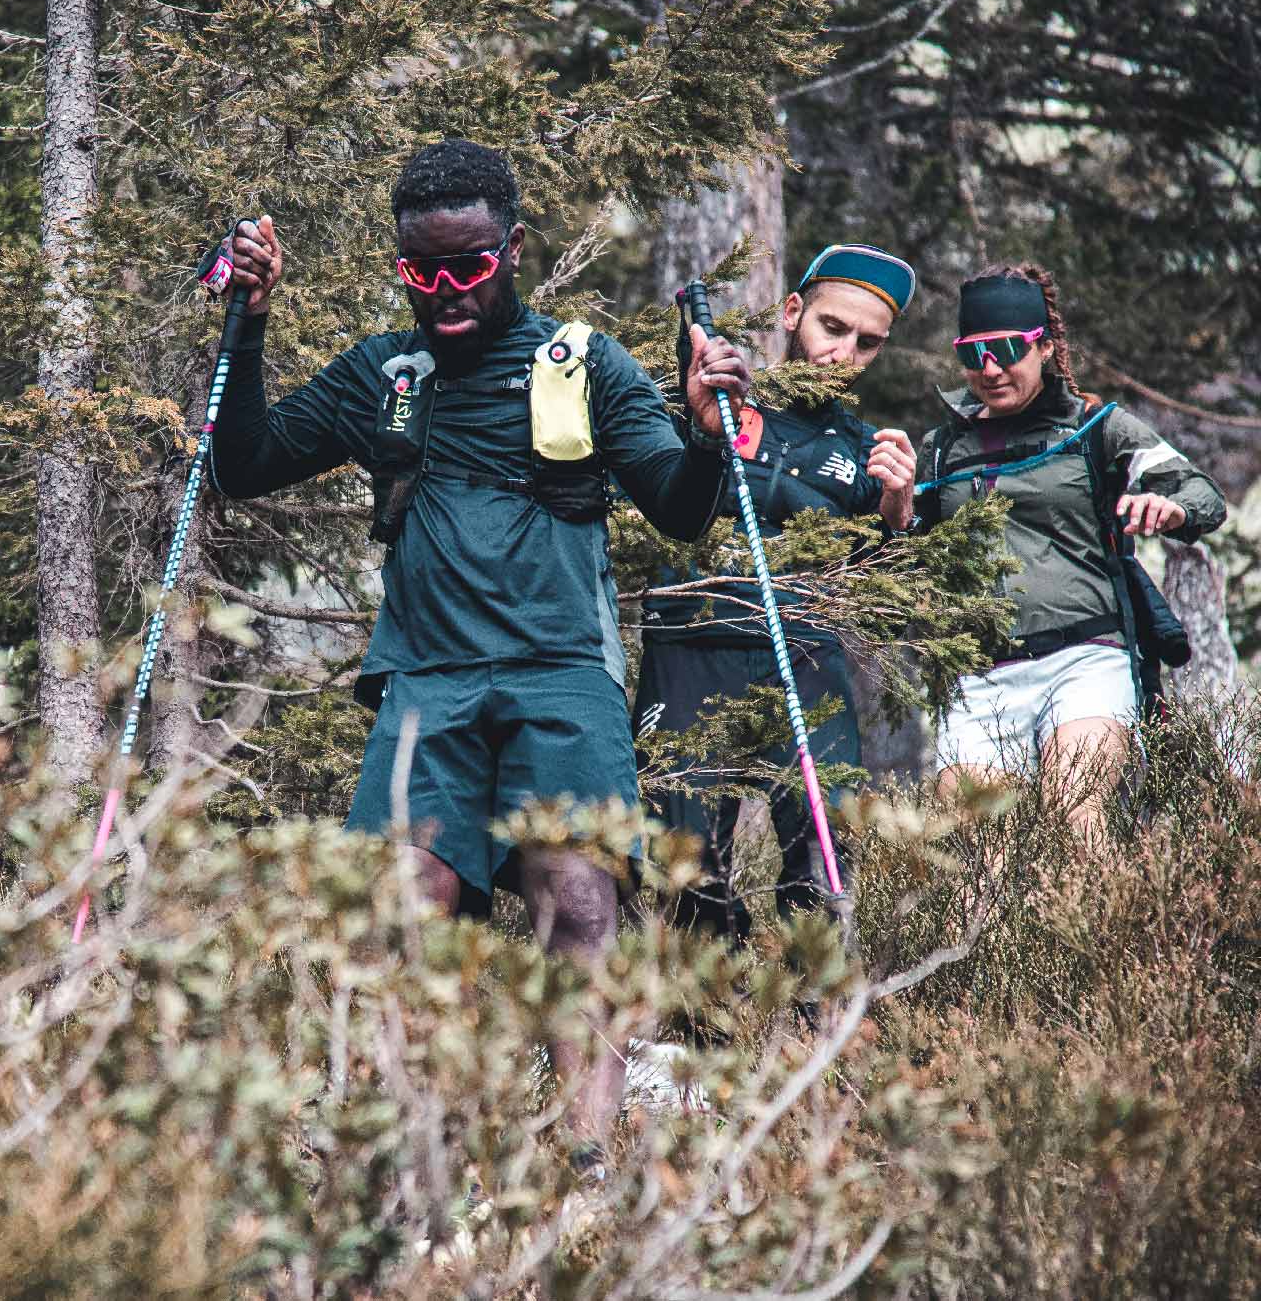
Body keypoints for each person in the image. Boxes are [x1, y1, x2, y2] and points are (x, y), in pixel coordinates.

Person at [207, 139, 751, 1167]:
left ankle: (585, 1158)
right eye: (423, 272)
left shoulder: (583, 363)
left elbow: (679, 514)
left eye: (470, 267)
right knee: (405, 912)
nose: (447, 293)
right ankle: (419, 1154)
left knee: (577, 903)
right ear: (402, 262)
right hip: (425, 683)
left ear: (511, 248)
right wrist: (248, 321)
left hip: (562, 680)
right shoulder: (383, 374)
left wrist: (705, 432)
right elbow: (242, 464)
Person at [633, 246, 919, 944]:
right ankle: (702, 1039)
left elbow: (892, 595)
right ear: (793, 312)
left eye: (867, 342)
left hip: (804, 653)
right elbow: (649, 494)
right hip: (690, 647)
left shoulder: (863, 452)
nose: (843, 353)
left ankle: (819, 1036)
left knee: (825, 859)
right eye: (832, 327)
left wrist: (898, 509)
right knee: (684, 867)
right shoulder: (712, 399)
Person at [915, 263, 1226, 832]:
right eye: (971, 353)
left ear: (1046, 347)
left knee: (1080, 823)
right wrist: (891, 501)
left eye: (1007, 348)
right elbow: (904, 552)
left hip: (1086, 656)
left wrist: (1172, 509)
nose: (989, 369)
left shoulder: (1097, 427)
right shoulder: (941, 450)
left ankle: (1104, 925)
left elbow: (1201, 492)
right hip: (980, 675)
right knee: (980, 865)